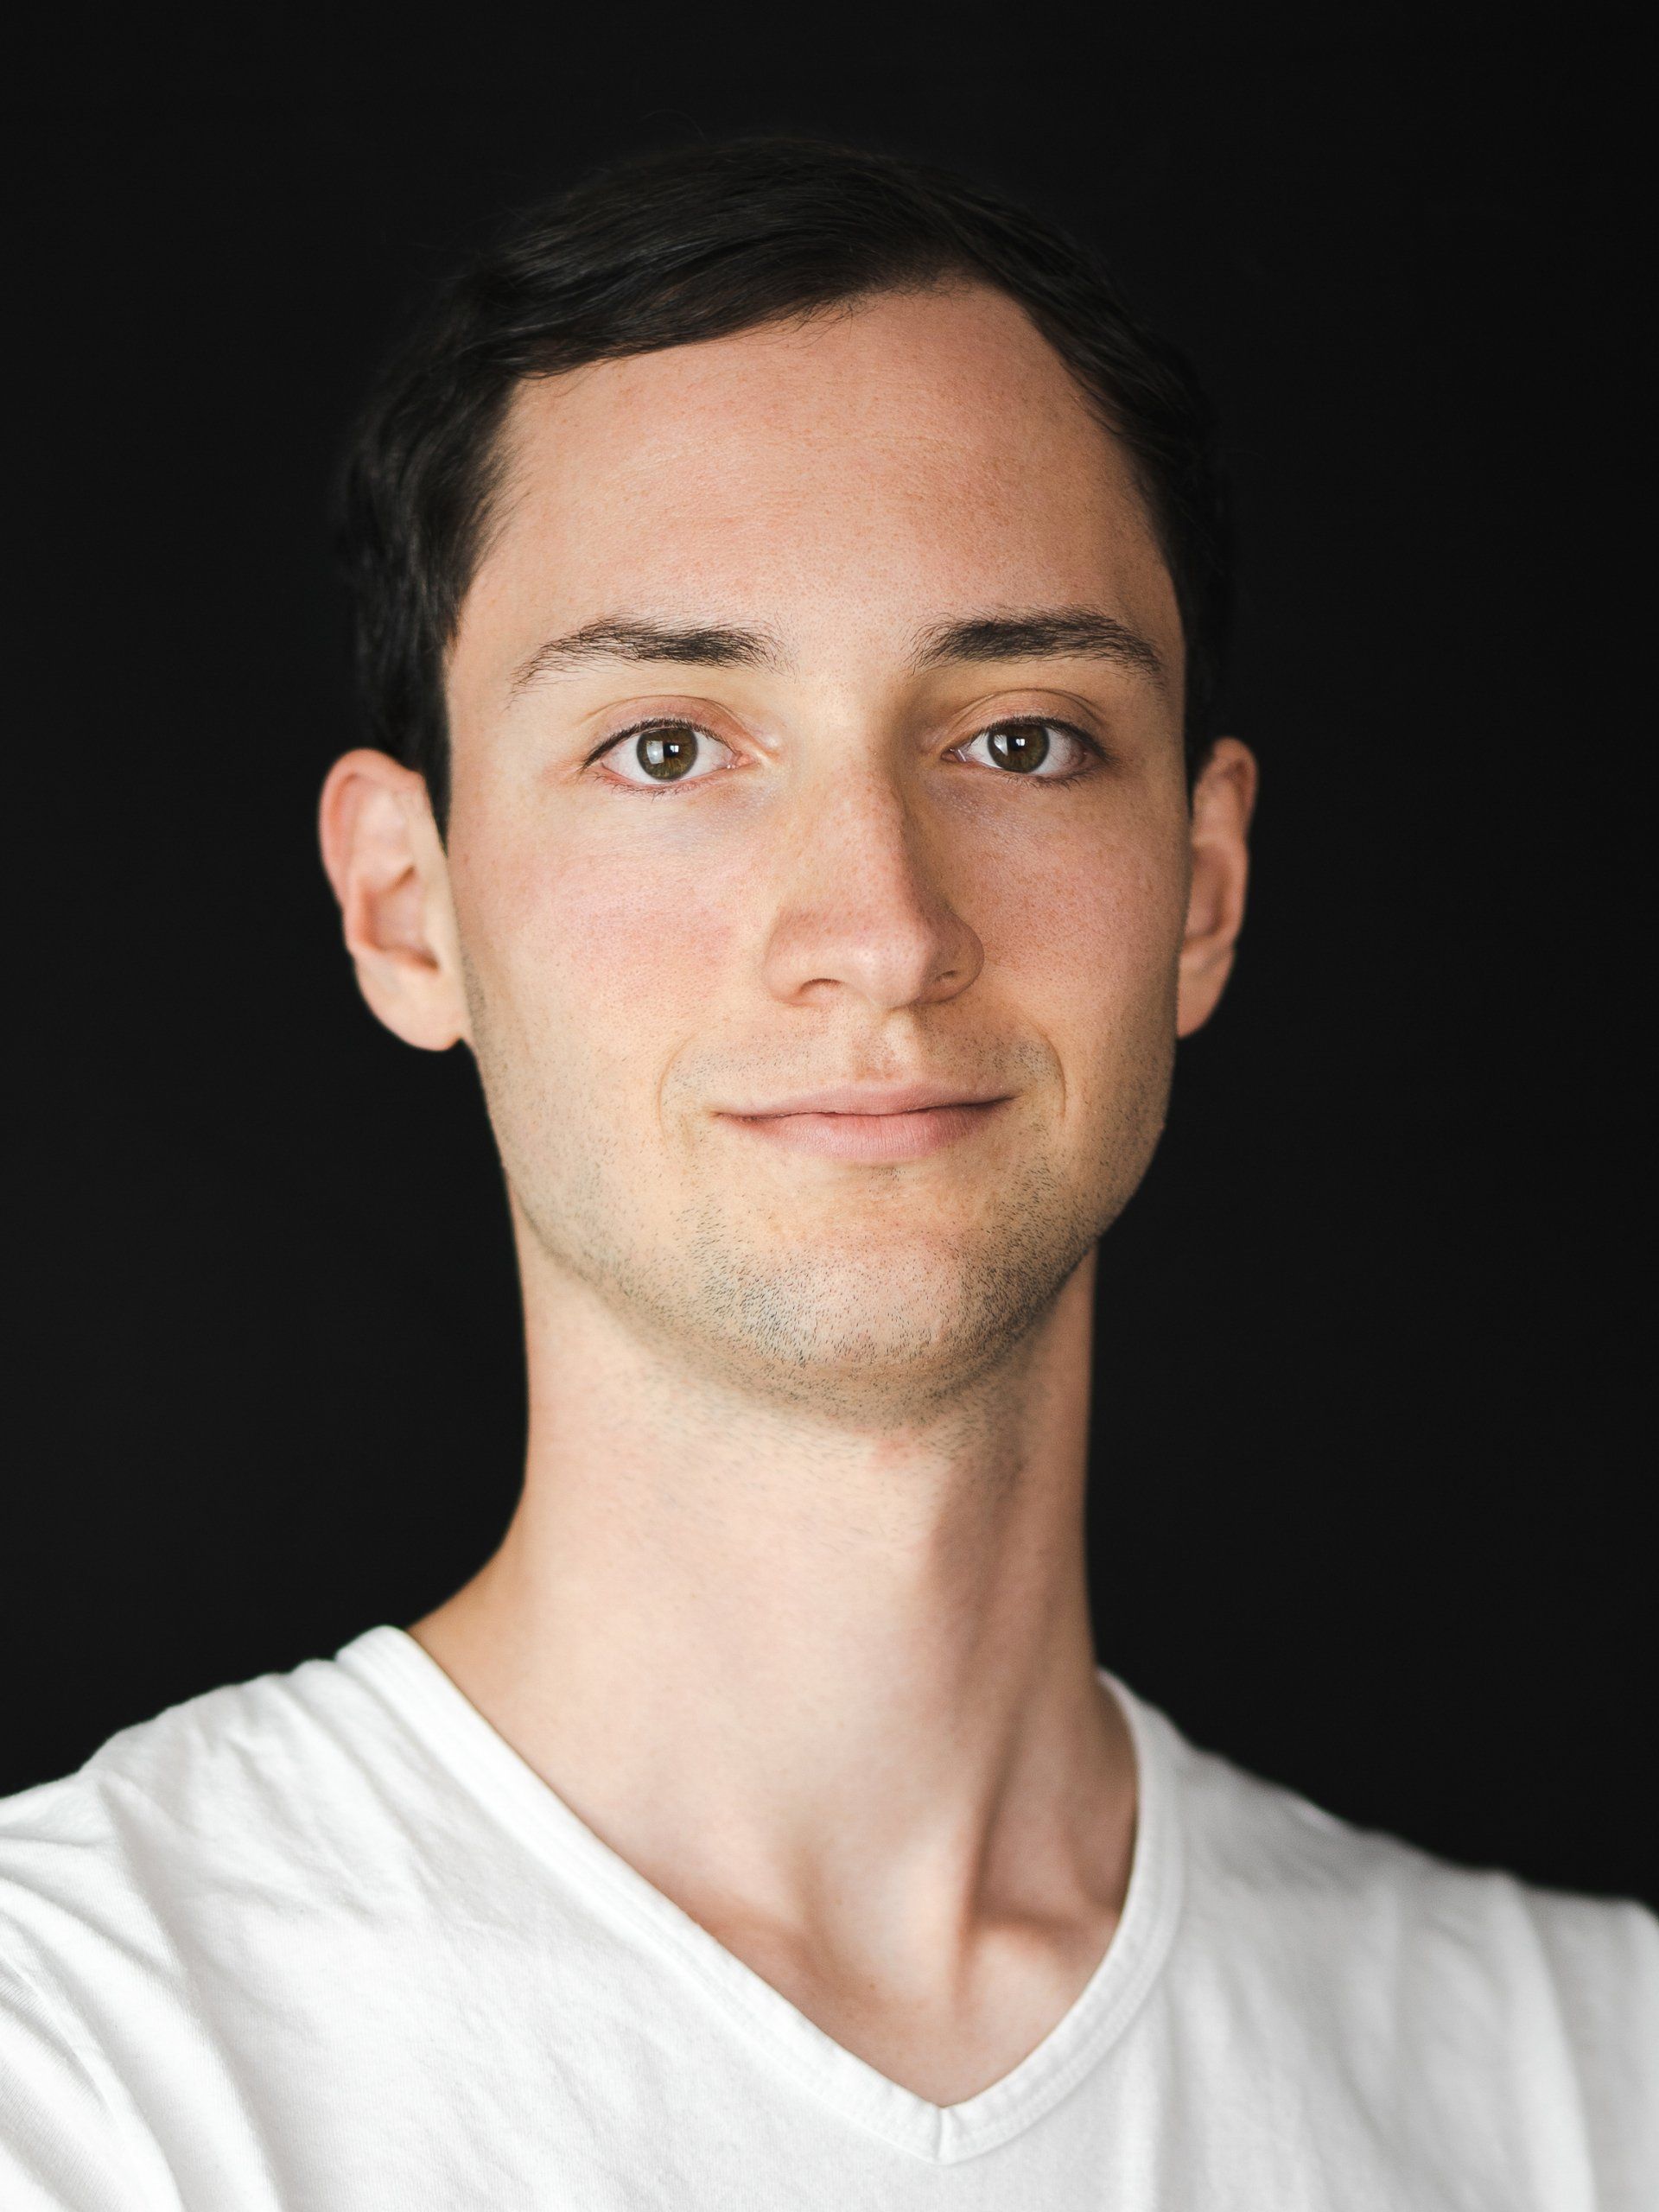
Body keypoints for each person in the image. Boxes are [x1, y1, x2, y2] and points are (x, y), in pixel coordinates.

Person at [1, 135, 1652, 2212]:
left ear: (1204, 887)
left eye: (1021, 737)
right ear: (408, 908)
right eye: (669, 745)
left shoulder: (1594, 2088)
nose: (879, 929)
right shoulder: (74, 2056)